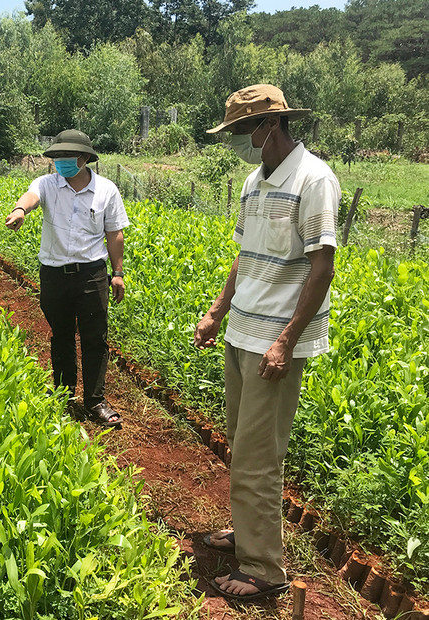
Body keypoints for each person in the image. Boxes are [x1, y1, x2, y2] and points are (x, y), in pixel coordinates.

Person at [194, 84, 339, 601]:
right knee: (242, 443)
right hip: (241, 333)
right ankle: (248, 532)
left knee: (258, 456)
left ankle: (263, 570)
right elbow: (244, 256)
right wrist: (217, 312)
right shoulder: (255, 181)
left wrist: (285, 340)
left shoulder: (314, 179)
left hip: (273, 342)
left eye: (239, 131)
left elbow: (322, 266)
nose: (236, 140)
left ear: (269, 127)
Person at [5, 129, 128, 428]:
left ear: (84, 158)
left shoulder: (106, 190)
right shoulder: (47, 183)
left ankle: (95, 401)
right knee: (61, 334)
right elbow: (31, 196)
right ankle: (64, 394)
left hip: (92, 274)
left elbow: (115, 235)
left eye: (66, 156)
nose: (60, 162)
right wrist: (21, 209)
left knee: (94, 338)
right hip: (54, 274)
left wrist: (118, 273)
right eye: (57, 156)